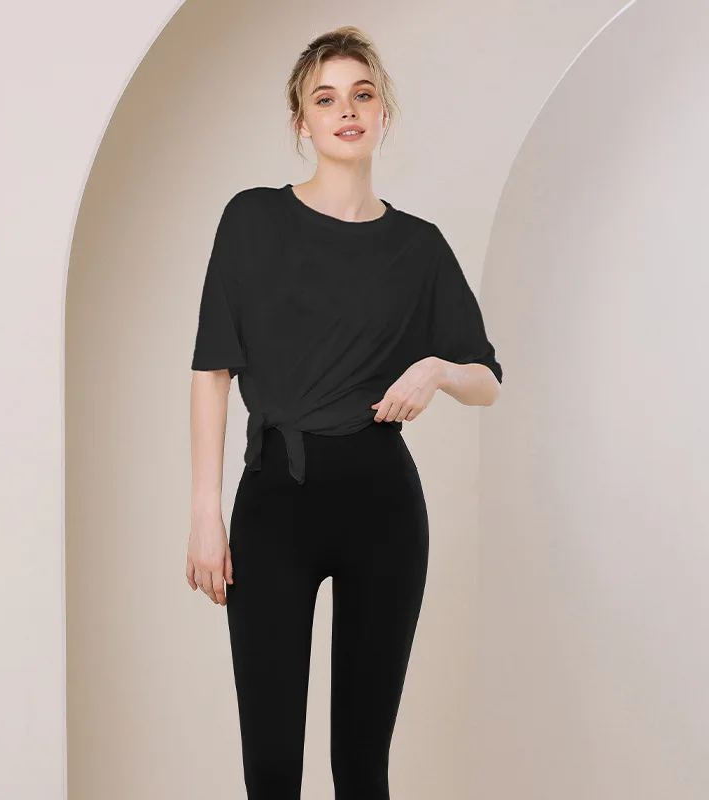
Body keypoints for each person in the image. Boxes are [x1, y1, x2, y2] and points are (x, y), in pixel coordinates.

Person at [187, 25, 502, 800]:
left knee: (362, 769)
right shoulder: (252, 220)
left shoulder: (418, 248)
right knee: (271, 771)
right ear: (302, 121)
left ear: (382, 112)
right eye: (325, 99)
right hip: (275, 499)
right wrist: (204, 514)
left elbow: (487, 381)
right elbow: (212, 369)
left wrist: (435, 370)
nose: (346, 110)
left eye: (362, 95)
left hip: (381, 503)